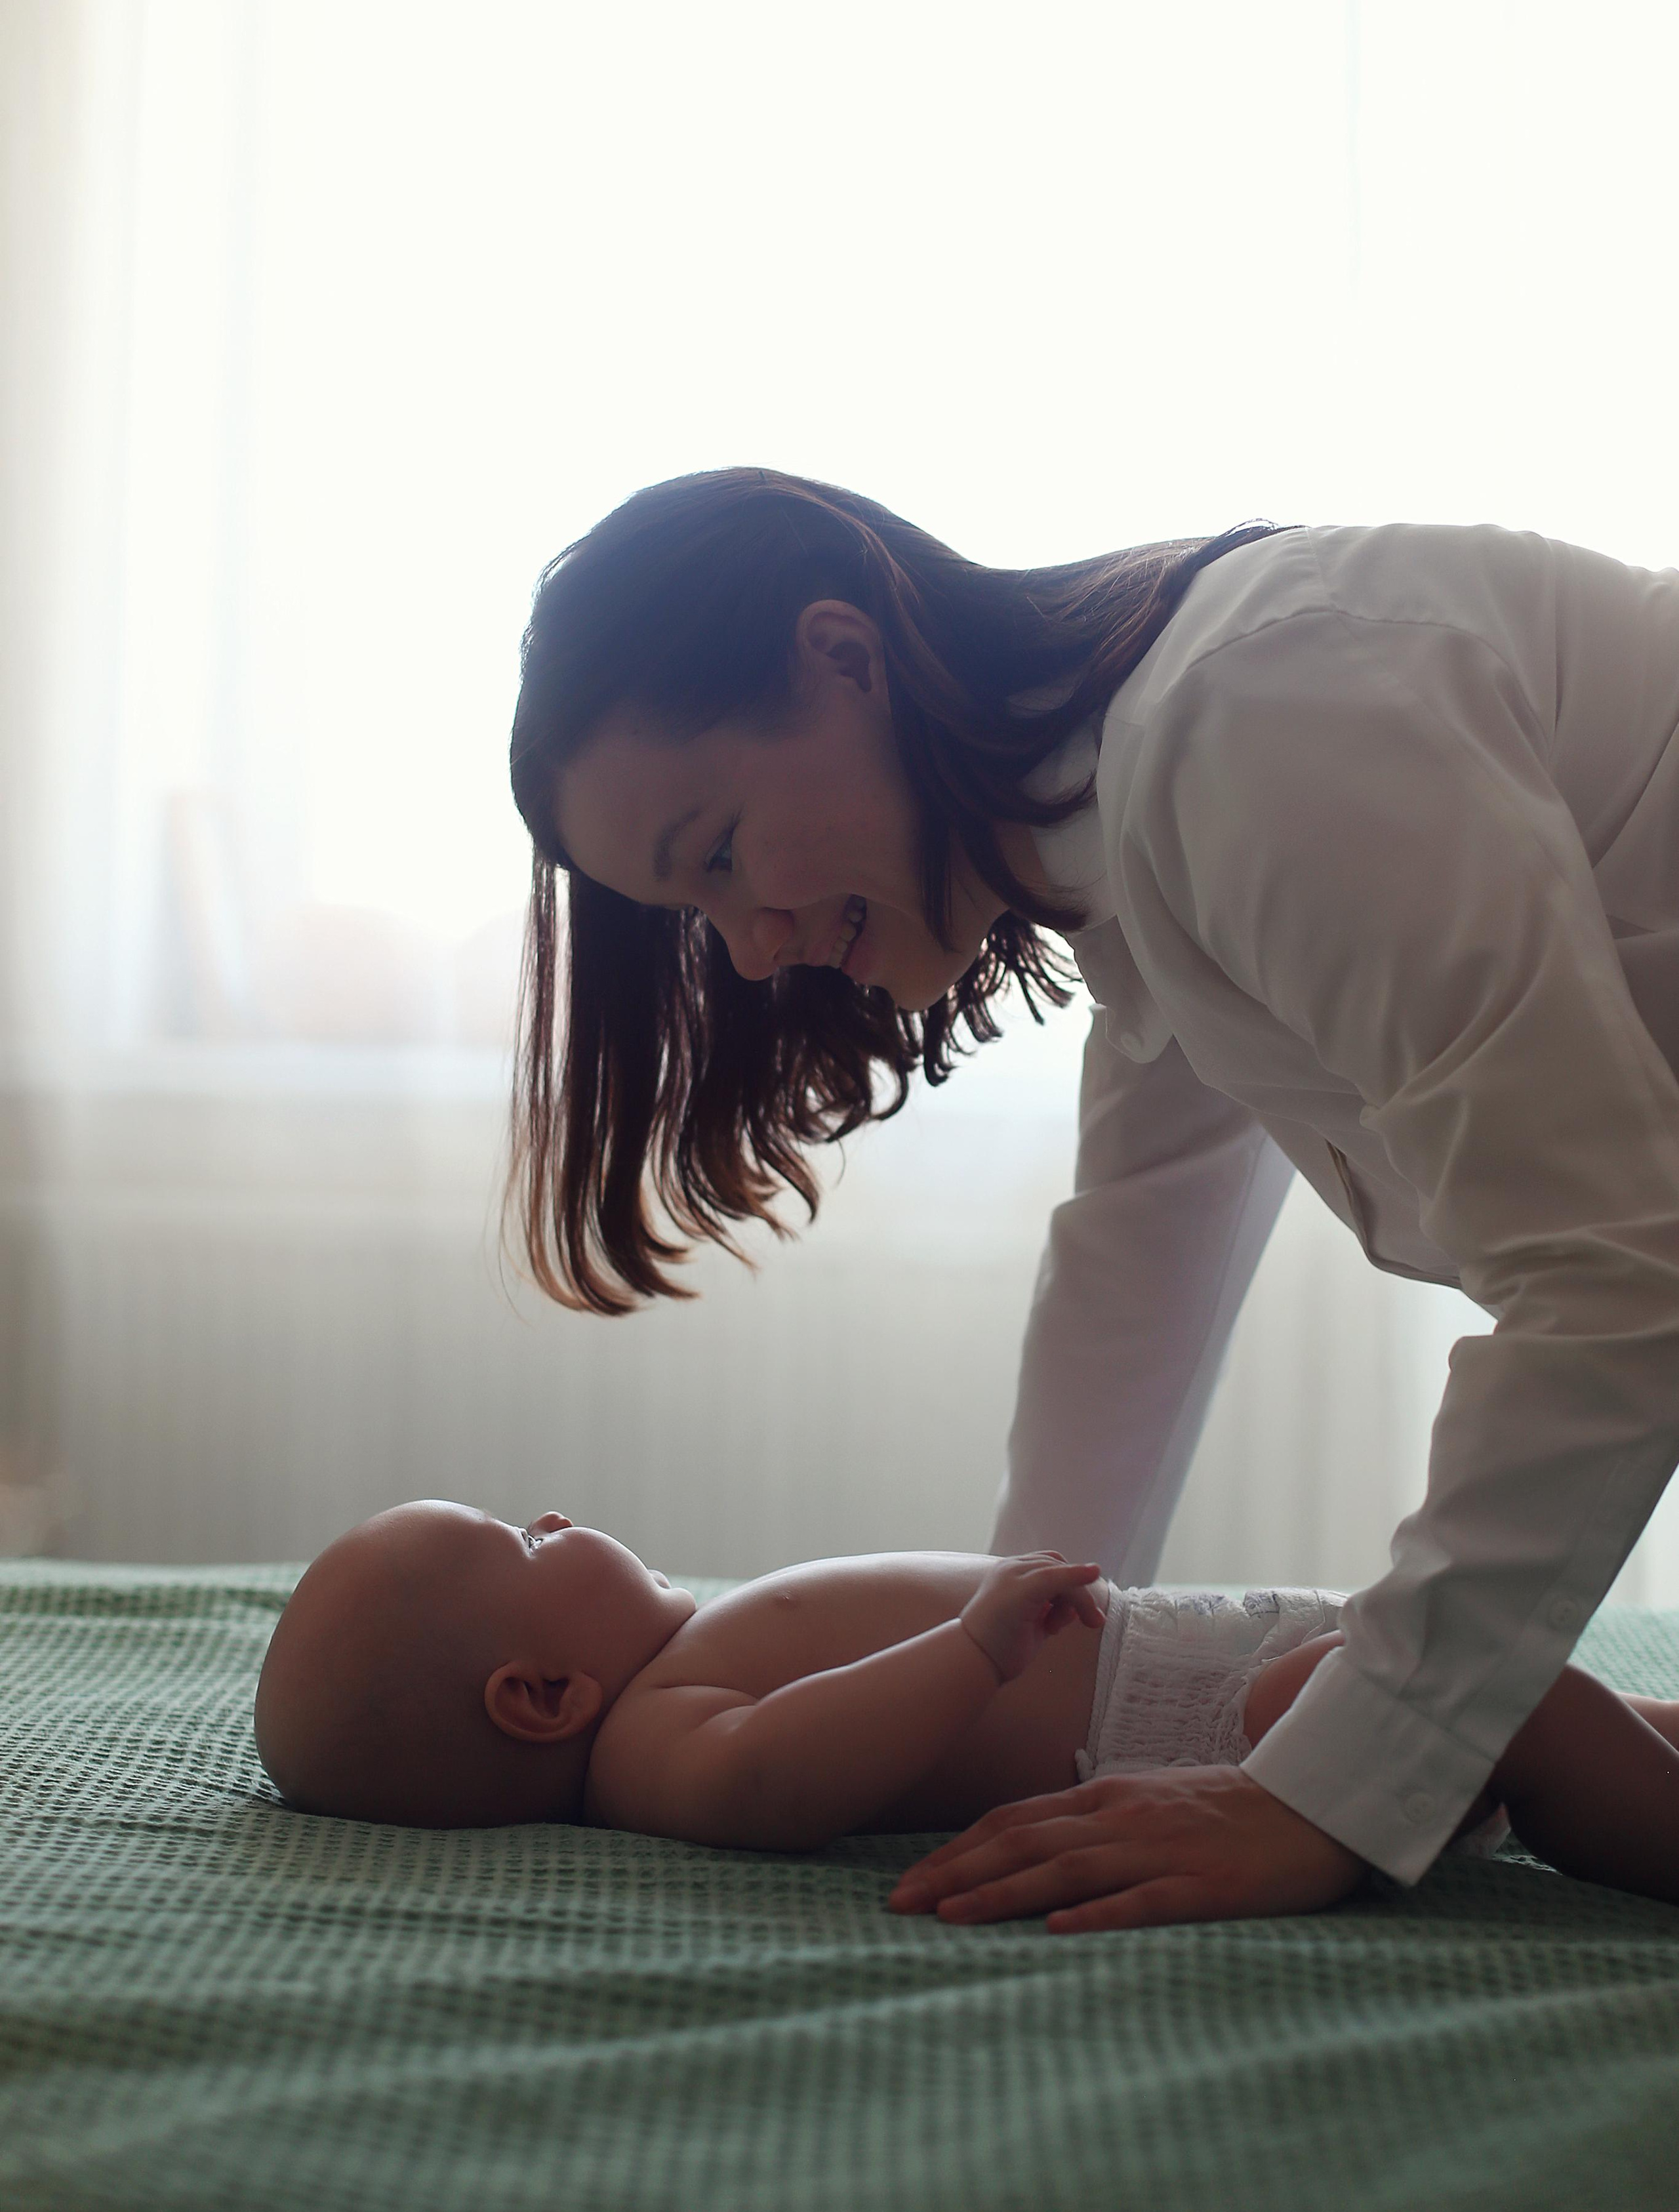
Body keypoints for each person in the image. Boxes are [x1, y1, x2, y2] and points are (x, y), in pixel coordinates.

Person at [502, 466, 1679, 1929]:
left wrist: (1328, 1796)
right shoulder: (1136, 840)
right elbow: (1135, 1271)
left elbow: (1612, 1273)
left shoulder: (1251, 727)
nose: (747, 953)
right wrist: (1025, 1668)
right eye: (698, 912)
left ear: (844, 658)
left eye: (722, 853)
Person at [253, 1502, 1679, 1921]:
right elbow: (770, 1779)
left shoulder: (676, 1658)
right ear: (541, 1697)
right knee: (1513, 1707)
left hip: (1226, 1656)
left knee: (1572, 1704)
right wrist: (967, 1650)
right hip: (1229, 1738)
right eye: (525, 1536)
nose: (561, 1516)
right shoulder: (648, 1744)